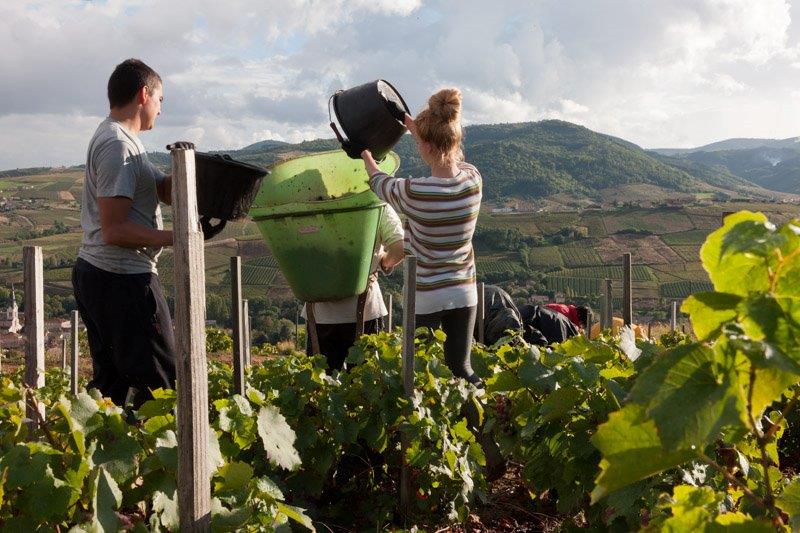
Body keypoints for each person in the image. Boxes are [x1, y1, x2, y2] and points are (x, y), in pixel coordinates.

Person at [72, 58, 177, 408]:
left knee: (113, 387)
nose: (160, 110)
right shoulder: (117, 144)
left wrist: (200, 182)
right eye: (160, 100)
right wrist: (177, 237)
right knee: (162, 382)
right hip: (121, 278)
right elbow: (114, 229)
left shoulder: (126, 141)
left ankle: (108, 456)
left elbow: (159, 189)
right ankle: (162, 459)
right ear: (144, 95)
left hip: (106, 275)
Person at [361, 88, 481, 384]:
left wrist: (364, 152)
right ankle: (485, 419)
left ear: (426, 146)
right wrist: (420, 131)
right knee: (462, 369)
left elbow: (377, 181)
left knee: (417, 374)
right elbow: (449, 153)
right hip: (464, 291)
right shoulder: (473, 180)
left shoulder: (414, 192)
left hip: (427, 295)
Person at [303, 205, 405, 370]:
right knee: (363, 388)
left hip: (320, 314)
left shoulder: (307, 201)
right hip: (366, 311)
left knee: (321, 386)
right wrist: (384, 263)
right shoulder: (377, 204)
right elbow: (400, 248)